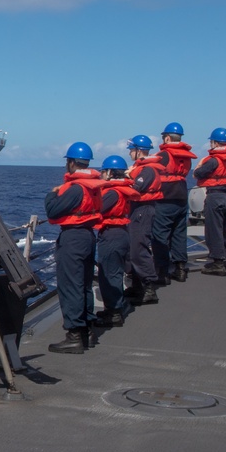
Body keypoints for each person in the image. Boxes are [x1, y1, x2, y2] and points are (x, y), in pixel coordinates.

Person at [44, 142, 103, 354]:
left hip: (74, 238)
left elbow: (52, 210)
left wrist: (53, 194)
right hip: (88, 235)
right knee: (85, 284)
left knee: (71, 286)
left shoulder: (75, 189)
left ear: (70, 163)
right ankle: (87, 330)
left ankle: (74, 336)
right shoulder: (93, 186)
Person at [194, 128, 226, 275]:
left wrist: (198, 168)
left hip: (215, 196)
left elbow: (199, 173)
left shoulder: (213, 160)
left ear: (214, 142)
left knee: (214, 230)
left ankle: (218, 263)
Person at [94, 155, 138, 327]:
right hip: (120, 232)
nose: (101, 175)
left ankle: (114, 313)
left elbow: (97, 208)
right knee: (114, 271)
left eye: (103, 172)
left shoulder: (112, 192)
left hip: (111, 235)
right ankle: (114, 308)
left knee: (109, 273)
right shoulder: (121, 189)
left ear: (110, 172)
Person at [153, 122, 197, 284]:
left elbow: (154, 172)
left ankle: (162, 271)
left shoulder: (163, 155)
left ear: (167, 137)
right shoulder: (186, 155)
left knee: (160, 236)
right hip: (181, 196)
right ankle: (180, 268)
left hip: (165, 198)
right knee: (179, 234)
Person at [126, 135, 163, 303]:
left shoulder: (147, 170)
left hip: (143, 209)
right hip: (136, 209)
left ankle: (149, 288)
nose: (129, 154)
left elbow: (136, 188)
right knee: (131, 247)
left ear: (138, 151)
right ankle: (136, 285)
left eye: (131, 150)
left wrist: (124, 179)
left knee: (138, 248)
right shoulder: (140, 168)